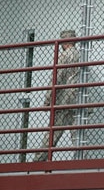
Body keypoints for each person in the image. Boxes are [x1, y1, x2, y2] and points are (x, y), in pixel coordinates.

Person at [34, 30, 80, 162]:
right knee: (78, 136)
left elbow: (56, 78)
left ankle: (37, 163)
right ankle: (82, 164)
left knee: (51, 136)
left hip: (63, 100)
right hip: (77, 100)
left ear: (64, 42)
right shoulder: (81, 55)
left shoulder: (64, 56)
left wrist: (47, 100)